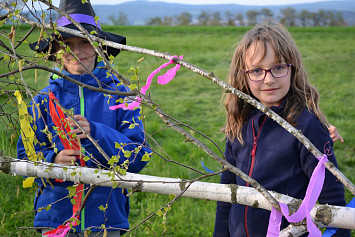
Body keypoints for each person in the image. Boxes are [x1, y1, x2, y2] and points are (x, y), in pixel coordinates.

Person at [17, 0, 150, 236]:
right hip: (55, 218)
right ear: (56, 51)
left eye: (85, 42)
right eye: (66, 44)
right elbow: (23, 157)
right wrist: (52, 160)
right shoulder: (43, 100)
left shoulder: (120, 97)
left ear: (99, 47)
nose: (76, 52)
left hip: (105, 220)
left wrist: (96, 134)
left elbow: (139, 157)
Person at [213, 19, 349, 237]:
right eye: (257, 70)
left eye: (278, 67)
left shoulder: (306, 127)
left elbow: (333, 205)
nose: (268, 79)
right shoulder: (239, 123)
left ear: (292, 69)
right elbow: (228, 195)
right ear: (243, 75)